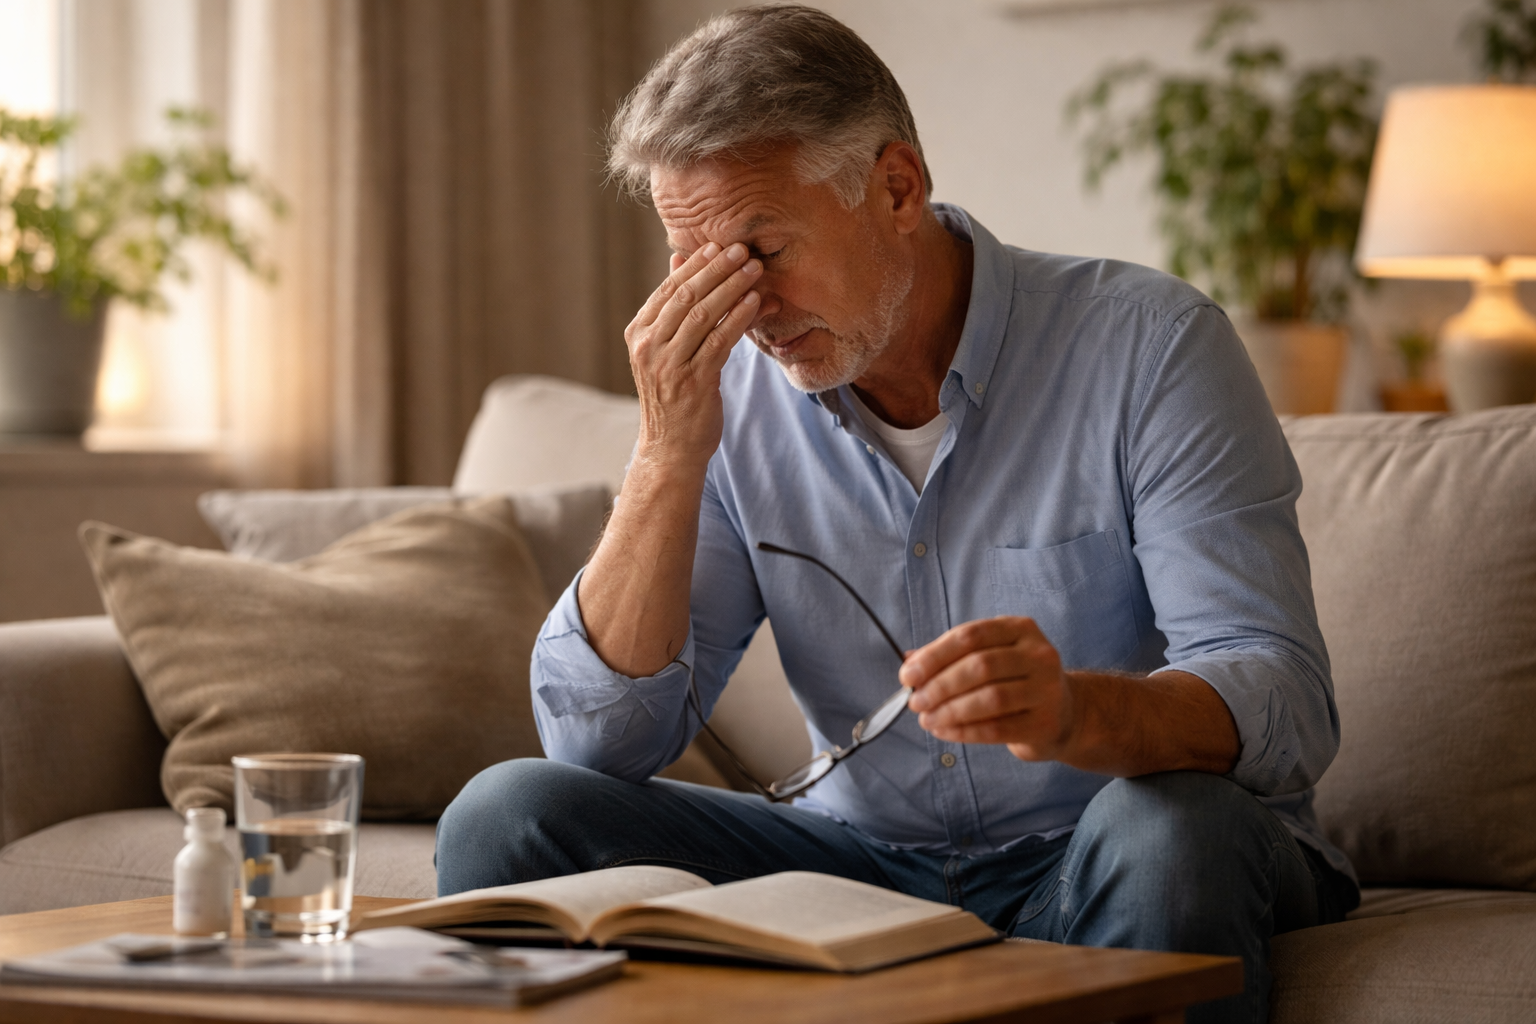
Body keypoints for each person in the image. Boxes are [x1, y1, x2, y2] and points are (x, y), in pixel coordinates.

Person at [435, 6, 1358, 1021]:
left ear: (897, 188)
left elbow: (1282, 698)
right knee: (510, 814)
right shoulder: (726, 404)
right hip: (859, 868)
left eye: (762, 249)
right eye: (697, 264)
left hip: (1106, 849)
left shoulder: (1150, 348)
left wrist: (1076, 713)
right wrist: (664, 457)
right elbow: (599, 750)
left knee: (1175, 832)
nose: (742, 308)